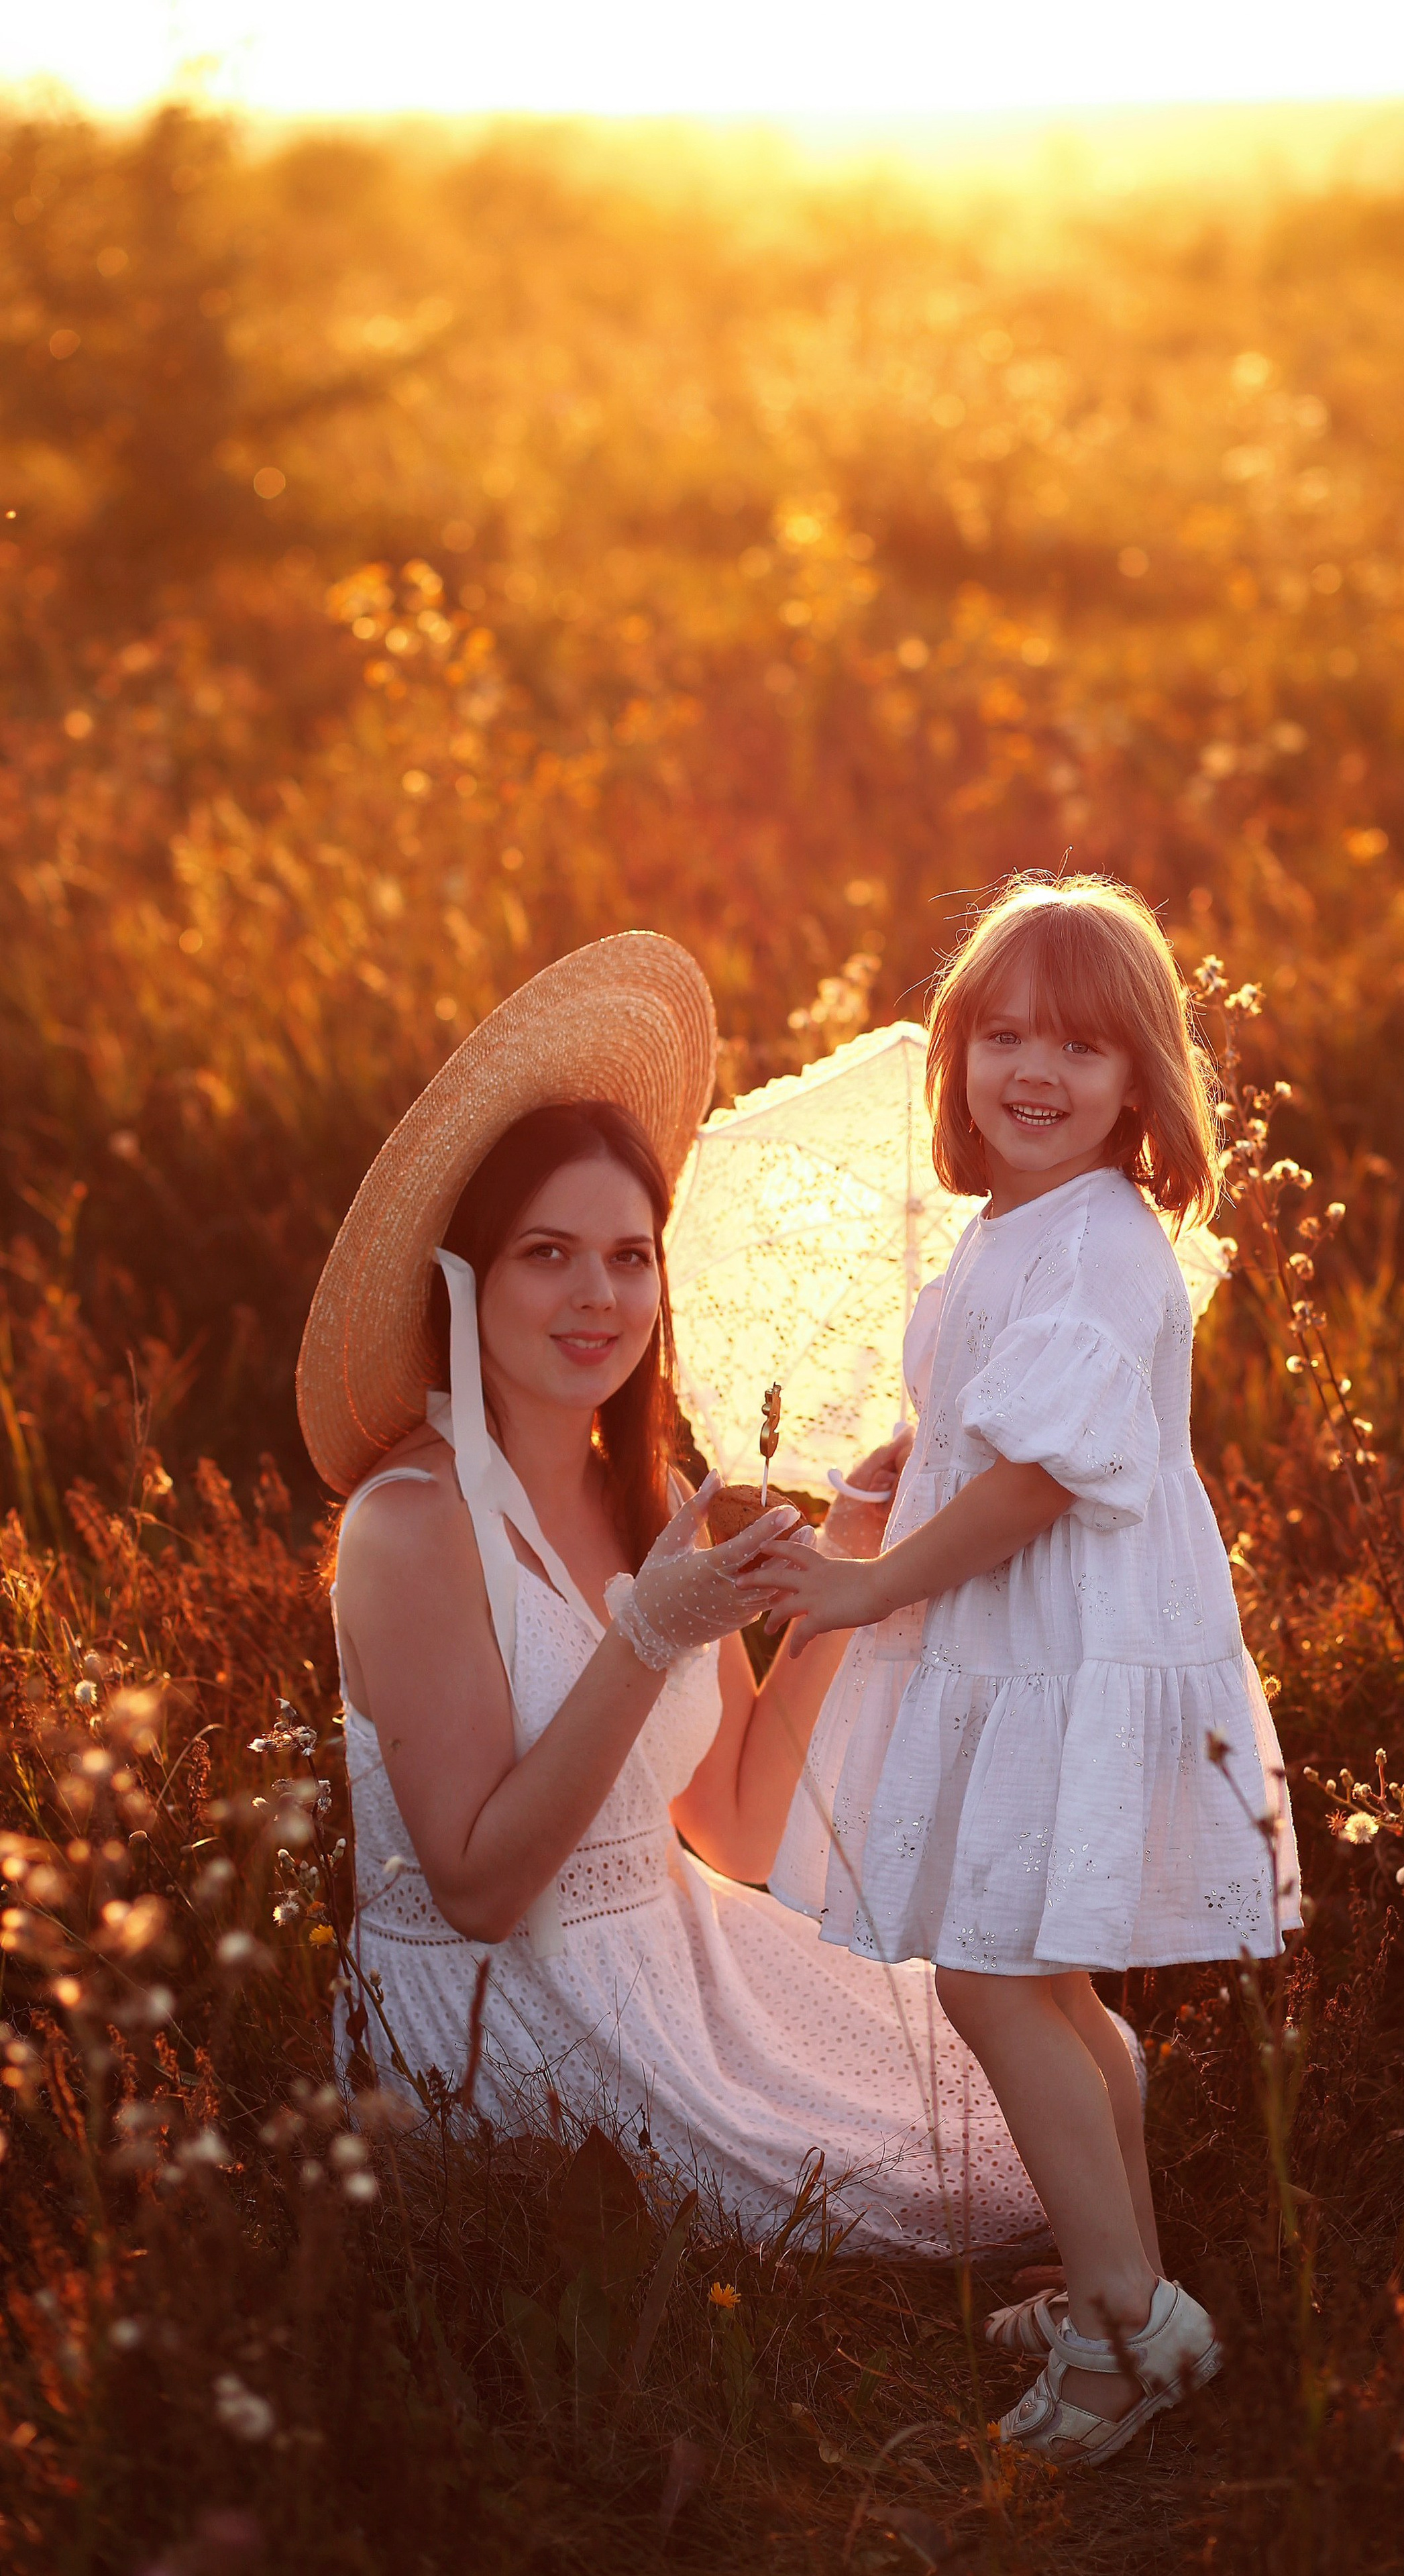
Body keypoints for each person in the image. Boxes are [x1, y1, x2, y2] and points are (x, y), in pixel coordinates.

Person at [294, 932, 1049, 2258]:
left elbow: (744, 1827)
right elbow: (477, 1890)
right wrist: (646, 1633)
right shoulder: (409, 1530)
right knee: (962, 2183)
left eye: (630, 1256)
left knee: (1047, 2097)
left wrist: (856, 1558)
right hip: (496, 2008)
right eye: (547, 1254)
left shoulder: (640, 1490)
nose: (599, 1297)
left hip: (674, 1955)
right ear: (463, 1281)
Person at [761, 876, 1303, 2463]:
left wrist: (868, 1582)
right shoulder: (1025, 1227)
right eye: (1002, 1034)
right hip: (1032, 1643)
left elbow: (1036, 1485)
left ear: (1141, 1080)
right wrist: (918, 1448)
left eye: (1079, 1043)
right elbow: (995, 1433)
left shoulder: (1092, 1245)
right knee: (1046, 1973)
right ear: (956, 1058)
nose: (1035, 1071)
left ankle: (1128, 2333)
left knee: (995, 1972)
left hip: (1054, 1649)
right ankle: (1109, 2282)